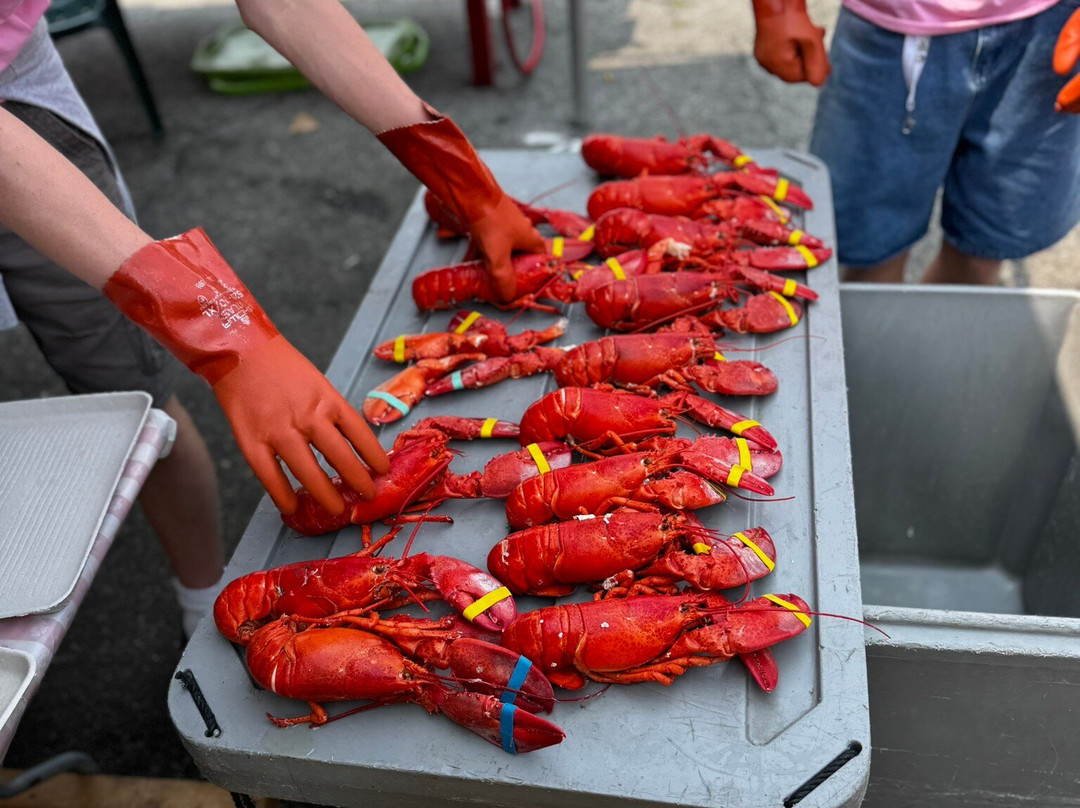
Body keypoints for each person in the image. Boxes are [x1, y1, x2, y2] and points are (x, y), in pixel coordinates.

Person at [0, 0, 544, 636]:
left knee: (135, 394)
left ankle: (200, 605)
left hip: (17, 77)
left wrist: (460, 175)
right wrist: (227, 339)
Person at [751, 0, 1080, 285]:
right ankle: (872, 354)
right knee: (870, 248)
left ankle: (939, 350)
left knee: (987, 246)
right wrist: (778, 8)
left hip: (1049, 28)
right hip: (892, 23)